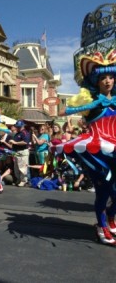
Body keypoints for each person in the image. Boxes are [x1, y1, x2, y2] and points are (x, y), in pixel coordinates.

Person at [57, 46, 116, 245]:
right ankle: (101, 225)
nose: (107, 81)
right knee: (104, 189)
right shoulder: (91, 102)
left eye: (110, 77)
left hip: (114, 150)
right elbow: (63, 111)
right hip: (96, 151)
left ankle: (110, 216)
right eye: (102, 78)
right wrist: (88, 106)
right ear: (96, 81)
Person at [9, 120, 30, 187]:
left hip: (22, 151)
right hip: (16, 152)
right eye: (17, 126)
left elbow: (25, 142)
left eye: (19, 127)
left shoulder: (24, 133)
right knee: (16, 167)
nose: (17, 128)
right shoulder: (17, 133)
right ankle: (18, 179)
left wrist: (15, 143)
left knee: (22, 167)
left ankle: (23, 180)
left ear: (22, 126)